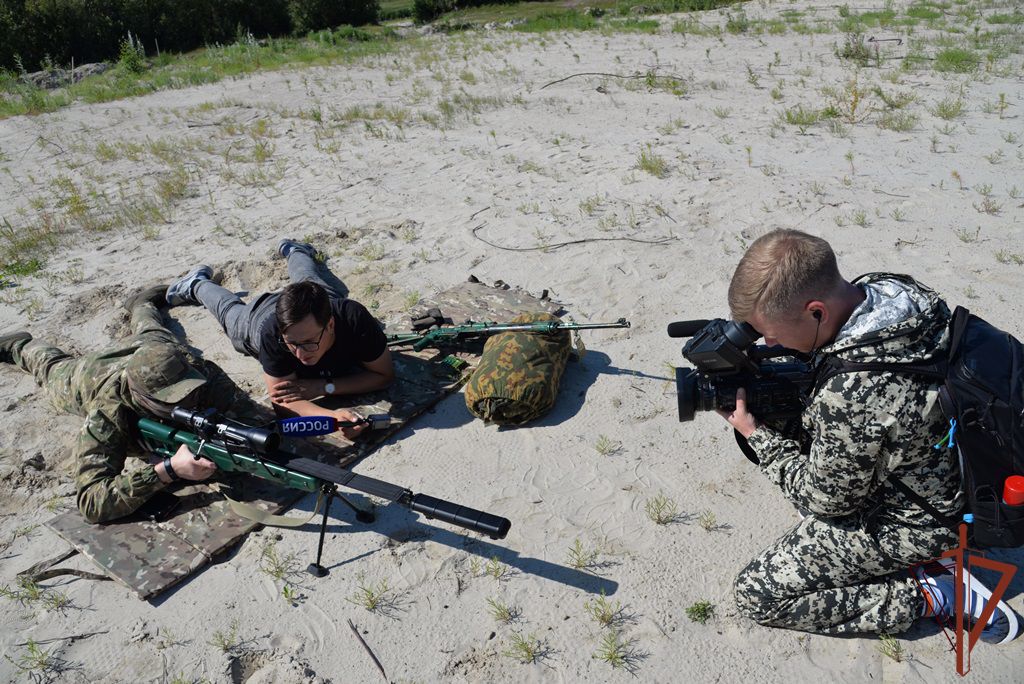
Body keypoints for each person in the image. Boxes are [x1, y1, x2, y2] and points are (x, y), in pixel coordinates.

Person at [718, 229, 1018, 643]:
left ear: (816, 311)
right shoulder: (892, 291)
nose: (770, 343)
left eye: (772, 331)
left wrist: (757, 435)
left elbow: (824, 500)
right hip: (959, 470)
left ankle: (933, 594)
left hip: (925, 521)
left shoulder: (854, 397)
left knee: (758, 596)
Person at [0, 286, 234, 524]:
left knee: (152, 328)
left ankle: (141, 303)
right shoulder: (107, 413)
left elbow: (245, 411)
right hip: (91, 375)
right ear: (142, 399)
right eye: (171, 400)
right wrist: (168, 470)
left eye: (188, 392)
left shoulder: (188, 366)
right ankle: (17, 345)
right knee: (52, 368)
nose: (186, 401)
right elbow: (91, 502)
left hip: (150, 349)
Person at [165, 240, 394, 439]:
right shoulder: (271, 333)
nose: (301, 354)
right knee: (229, 312)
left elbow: (384, 376)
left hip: (308, 301)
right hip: (257, 319)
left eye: (308, 342)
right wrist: (333, 418)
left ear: (331, 324)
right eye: (292, 344)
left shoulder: (352, 318)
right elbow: (283, 402)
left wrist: (325, 386)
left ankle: (296, 251)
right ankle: (196, 284)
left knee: (308, 280)